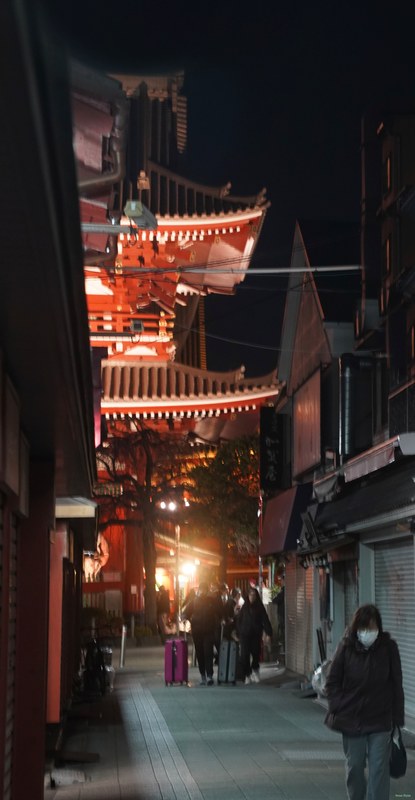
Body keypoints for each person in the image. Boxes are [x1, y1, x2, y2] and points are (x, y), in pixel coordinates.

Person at [324, 603, 404, 800]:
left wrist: (397, 720)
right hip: (352, 720)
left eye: (372, 628)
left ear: (379, 628)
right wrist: (338, 706)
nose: (368, 632)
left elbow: (396, 684)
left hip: (380, 719)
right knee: (355, 768)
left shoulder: (388, 648)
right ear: (356, 629)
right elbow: (331, 682)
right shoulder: (346, 647)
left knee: (379, 769)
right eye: (364, 628)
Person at [182, 581, 221, 686]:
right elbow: (185, 612)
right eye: (201, 590)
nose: (203, 592)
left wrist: (216, 597)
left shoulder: (212, 601)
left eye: (205, 590)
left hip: (209, 631)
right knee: (200, 653)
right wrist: (184, 618)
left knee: (208, 652)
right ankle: (203, 675)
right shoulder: (194, 601)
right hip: (197, 631)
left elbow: (220, 611)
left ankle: (209, 675)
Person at [236, 586, 272, 684]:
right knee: (244, 655)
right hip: (245, 634)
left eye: (254, 595)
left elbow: (265, 620)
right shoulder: (245, 607)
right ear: (248, 596)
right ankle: (247, 674)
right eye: (250, 595)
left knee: (256, 653)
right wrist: (238, 632)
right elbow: (239, 620)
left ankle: (255, 669)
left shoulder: (260, 607)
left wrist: (268, 633)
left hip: (256, 634)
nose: (252, 597)